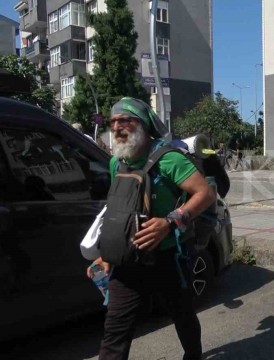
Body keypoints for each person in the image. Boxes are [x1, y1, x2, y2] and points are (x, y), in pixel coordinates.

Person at [86, 97, 215, 360]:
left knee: (182, 315)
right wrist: (108, 252)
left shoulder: (168, 159)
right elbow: (117, 210)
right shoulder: (116, 163)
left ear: (143, 125)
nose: (117, 127)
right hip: (128, 259)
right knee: (115, 331)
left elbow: (205, 194)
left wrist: (169, 222)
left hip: (167, 256)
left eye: (125, 120)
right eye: (113, 122)